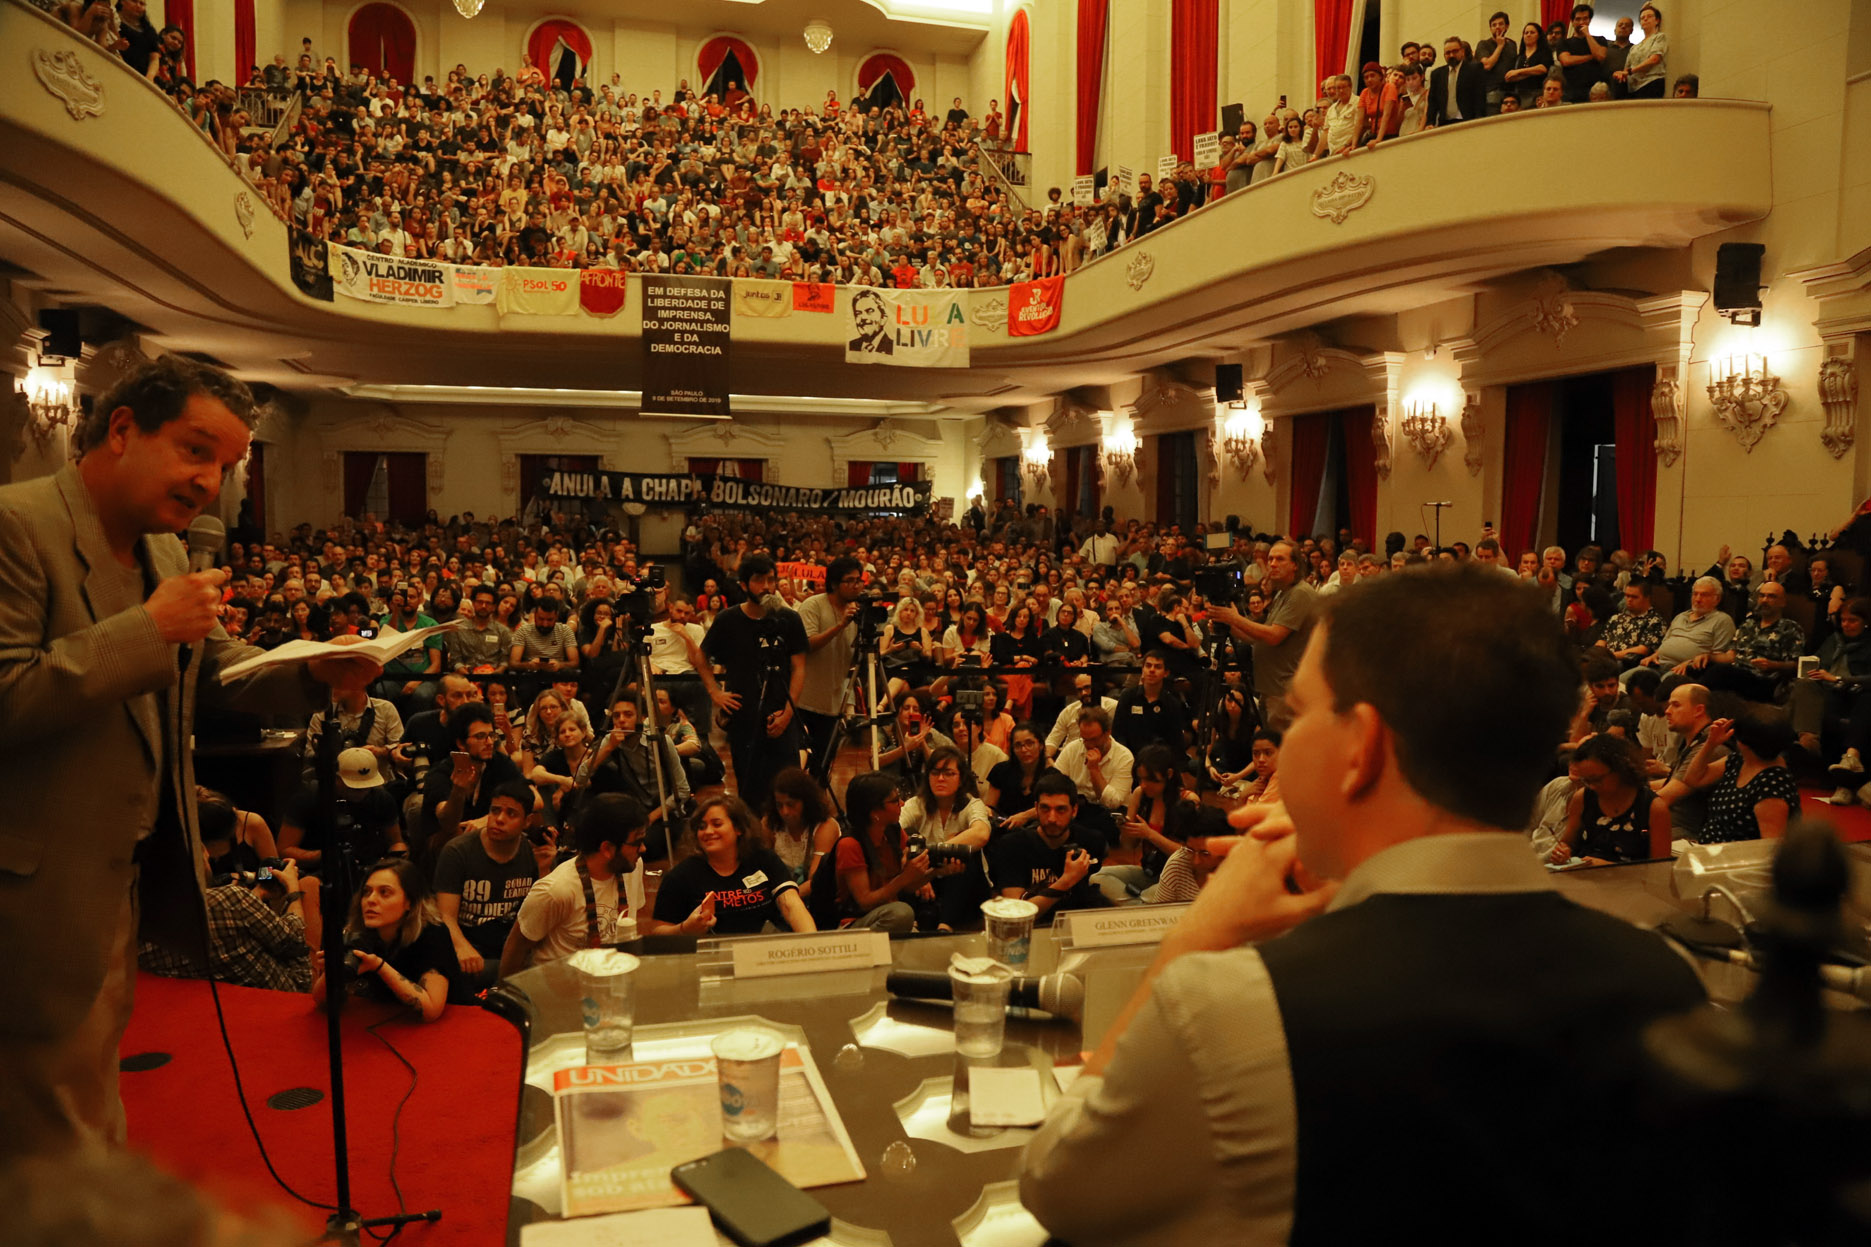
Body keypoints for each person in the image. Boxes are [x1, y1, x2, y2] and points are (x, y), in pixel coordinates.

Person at [1019, 564, 1707, 1243]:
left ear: (1360, 747)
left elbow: (1059, 1182)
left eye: (1296, 717)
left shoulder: (1229, 1001)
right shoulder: (1665, 981)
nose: (1282, 748)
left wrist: (1190, 943)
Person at [0, 355, 380, 1157]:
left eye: (228, 466)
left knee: (82, 1086)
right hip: (32, 887)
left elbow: (209, 669)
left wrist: (308, 667)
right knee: (43, 1107)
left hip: (124, 874)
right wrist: (148, 630)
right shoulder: (17, 526)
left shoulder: (164, 553)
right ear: (124, 428)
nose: (210, 482)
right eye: (196, 450)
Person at [137, 802, 317, 993]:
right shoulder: (232, 899)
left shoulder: (138, 918)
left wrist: (258, 895)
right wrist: (292, 890)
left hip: (203, 997)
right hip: (281, 993)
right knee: (310, 885)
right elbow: (293, 941)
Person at [499, 794, 660, 976]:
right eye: (637, 842)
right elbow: (516, 947)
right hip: (561, 993)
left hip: (609, 983)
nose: (644, 849)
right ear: (607, 849)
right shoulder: (556, 890)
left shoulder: (632, 866)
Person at [701, 554, 808, 810]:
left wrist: (787, 715)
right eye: (759, 580)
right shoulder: (728, 619)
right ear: (744, 584)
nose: (767, 586)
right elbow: (700, 655)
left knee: (789, 787)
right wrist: (715, 693)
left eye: (771, 579)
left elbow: (800, 668)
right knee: (749, 788)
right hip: (743, 715)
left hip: (781, 713)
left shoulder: (789, 619)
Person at [432, 779, 549, 991]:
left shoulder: (531, 853)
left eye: (511, 814)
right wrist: (461, 947)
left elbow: (534, 916)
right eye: (495, 811)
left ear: (527, 821)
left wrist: (546, 872)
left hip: (509, 947)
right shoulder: (458, 851)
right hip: (469, 946)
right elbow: (445, 916)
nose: (499, 819)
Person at [312, 858, 463, 1021]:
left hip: (455, 1024)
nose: (371, 900)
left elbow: (431, 1010)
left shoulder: (433, 933)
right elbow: (320, 1000)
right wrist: (333, 970)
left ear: (409, 902)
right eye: (367, 892)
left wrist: (379, 967)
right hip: (389, 1019)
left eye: (384, 892)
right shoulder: (358, 933)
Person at [652, 797, 813, 936]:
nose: (707, 831)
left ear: (738, 828)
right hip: (710, 958)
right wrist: (685, 929)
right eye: (701, 827)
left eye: (716, 824)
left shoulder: (764, 860)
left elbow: (790, 904)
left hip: (765, 950)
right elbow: (658, 933)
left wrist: (813, 944)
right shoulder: (681, 876)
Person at [1208, 540, 1316, 728]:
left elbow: (1273, 636)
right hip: (1272, 688)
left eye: (1280, 559)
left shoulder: (1300, 594)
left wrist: (1234, 618)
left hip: (1286, 691)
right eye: (1271, 559)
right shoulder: (1283, 593)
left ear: (1295, 565)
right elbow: (1257, 637)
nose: (1272, 564)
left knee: (1283, 750)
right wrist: (1228, 624)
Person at [899, 745, 994, 930]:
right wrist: (921, 872)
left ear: (960, 779)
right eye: (935, 772)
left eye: (949, 773)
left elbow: (981, 834)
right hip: (928, 882)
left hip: (969, 885)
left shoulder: (972, 804)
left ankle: (945, 926)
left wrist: (932, 854)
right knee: (909, 845)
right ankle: (914, 923)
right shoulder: (916, 804)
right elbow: (895, 831)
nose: (941, 778)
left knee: (964, 854)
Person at [992, 771, 1107, 920]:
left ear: (1074, 810)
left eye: (1061, 809)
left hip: (1078, 926)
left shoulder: (1091, 841)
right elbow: (1016, 915)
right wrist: (1066, 882)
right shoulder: (1012, 845)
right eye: (1045, 808)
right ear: (1036, 808)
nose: (1052, 818)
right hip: (1032, 930)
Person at [833, 771, 935, 932]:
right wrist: (904, 877)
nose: (902, 803)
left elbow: (907, 886)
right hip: (854, 922)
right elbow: (865, 902)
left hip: (887, 912)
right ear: (874, 813)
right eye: (895, 801)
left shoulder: (893, 831)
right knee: (901, 914)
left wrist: (936, 871)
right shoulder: (850, 844)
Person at [1547, 733, 1670, 865]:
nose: (1592, 786)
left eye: (1597, 780)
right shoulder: (1583, 797)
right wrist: (1563, 851)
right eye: (1586, 781)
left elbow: (1659, 870)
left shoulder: (1652, 808)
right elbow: (1568, 842)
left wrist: (1609, 867)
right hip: (1584, 876)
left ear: (1620, 769)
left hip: (1631, 882)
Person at [1683, 710, 1800, 844]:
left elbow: (1771, 847)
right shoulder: (1739, 760)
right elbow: (1693, 779)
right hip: (1709, 852)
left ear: (1742, 742)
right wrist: (1710, 744)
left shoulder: (1772, 786)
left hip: (1737, 861)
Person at [794, 555, 863, 771]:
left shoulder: (856, 613)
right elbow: (807, 644)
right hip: (804, 701)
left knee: (823, 768)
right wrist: (840, 625)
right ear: (834, 583)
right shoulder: (813, 605)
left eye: (859, 580)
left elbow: (851, 658)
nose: (856, 585)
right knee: (798, 764)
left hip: (833, 705)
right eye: (849, 580)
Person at [765, 767, 841, 893]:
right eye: (779, 805)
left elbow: (816, 880)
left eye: (791, 804)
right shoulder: (769, 824)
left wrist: (786, 901)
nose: (785, 812)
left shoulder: (825, 827)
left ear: (806, 802)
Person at [1112, 651, 1193, 757]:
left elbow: (1175, 742)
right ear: (1142, 669)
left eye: (1158, 667)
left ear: (1166, 673)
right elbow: (1118, 734)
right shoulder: (1128, 697)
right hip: (1129, 758)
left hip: (1159, 762)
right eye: (1148, 666)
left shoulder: (1172, 703)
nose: (1152, 670)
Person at [1427, 35, 1485, 126]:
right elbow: (1432, 102)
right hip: (1444, 123)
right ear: (1444, 55)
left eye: (1455, 51)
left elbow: (1479, 96)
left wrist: (1479, 119)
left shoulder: (1475, 69)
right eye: (1448, 53)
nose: (1451, 55)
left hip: (1468, 121)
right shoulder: (1437, 74)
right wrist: (1430, 123)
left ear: (1462, 51)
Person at [1614, 3, 1668, 98]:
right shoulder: (1634, 47)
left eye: (1649, 16)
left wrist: (1631, 71)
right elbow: (1626, 68)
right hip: (1634, 88)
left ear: (1657, 20)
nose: (1645, 19)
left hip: (1651, 83)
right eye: (1642, 18)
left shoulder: (1659, 37)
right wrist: (1620, 74)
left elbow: (1654, 59)